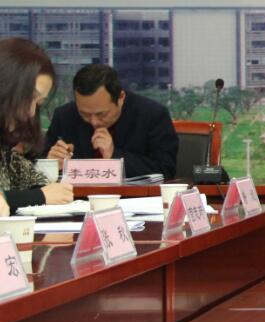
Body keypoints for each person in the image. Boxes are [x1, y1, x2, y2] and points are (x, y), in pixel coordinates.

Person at [44, 63, 179, 180]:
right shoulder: (64, 116)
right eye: (84, 114)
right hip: (75, 198)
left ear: (121, 98)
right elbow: (39, 168)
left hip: (131, 199)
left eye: (101, 114)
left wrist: (114, 155)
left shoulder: (152, 115)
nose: (94, 122)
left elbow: (165, 171)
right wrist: (51, 164)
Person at [0, 38, 74, 212]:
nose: (32, 112)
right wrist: (40, 196)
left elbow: (37, 183)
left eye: (39, 103)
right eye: (30, 97)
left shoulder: (6, 154)